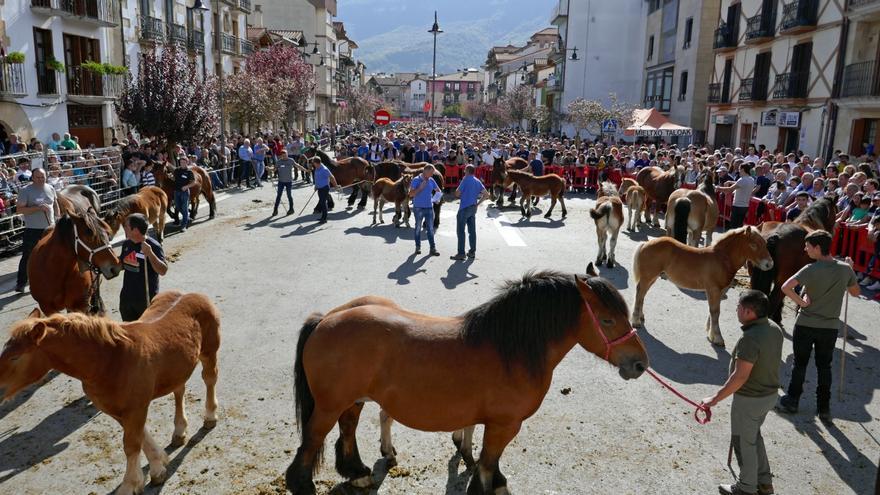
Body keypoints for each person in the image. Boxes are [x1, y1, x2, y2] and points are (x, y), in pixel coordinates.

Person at [701, 290, 782, 495]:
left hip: (749, 400)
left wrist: (715, 398)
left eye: (738, 306)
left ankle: (746, 487)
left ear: (748, 312)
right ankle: (764, 483)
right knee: (754, 437)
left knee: (744, 443)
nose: (736, 309)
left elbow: (740, 376)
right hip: (769, 395)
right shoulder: (774, 328)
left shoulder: (750, 339)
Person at [776, 230, 860, 422]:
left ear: (817, 247)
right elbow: (855, 293)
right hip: (829, 328)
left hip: (805, 324)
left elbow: (785, 287)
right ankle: (823, 408)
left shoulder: (810, 269)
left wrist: (802, 303)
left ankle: (792, 401)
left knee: (800, 364)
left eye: (808, 246)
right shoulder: (844, 269)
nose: (805, 249)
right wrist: (850, 270)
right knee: (824, 367)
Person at [14, 168, 60, 292]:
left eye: (42, 177)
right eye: (38, 177)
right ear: (32, 178)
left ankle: (49, 280)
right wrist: (37, 208)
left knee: (51, 255)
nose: (40, 179)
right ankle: (21, 283)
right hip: (32, 230)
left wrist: (58, 217)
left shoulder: (50, 188)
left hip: (50, 228)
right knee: (28, 256)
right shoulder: (25, 190)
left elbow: (55, 203)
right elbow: (19, 210)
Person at [118, 213, 167, 321]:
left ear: (135, 230)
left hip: (146, 300)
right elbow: (122, 264)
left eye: (126, 226)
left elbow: (163, 270)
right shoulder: (126, 244)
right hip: (127, 299)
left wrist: (150, 254)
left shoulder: (153, 246)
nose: (124, 228)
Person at [451, 165, 489, 261]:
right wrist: (478, 204)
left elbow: (457, 193)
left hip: (464, 208)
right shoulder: (477, 181)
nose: (464, 172)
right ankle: (472, 252)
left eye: (465, 170)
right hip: (473, 207)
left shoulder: (465, 180)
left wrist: (461, 186)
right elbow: (486, 194)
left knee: (460, 231)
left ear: (467, 171)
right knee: (472, 231)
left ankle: (461, 253)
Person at [409, 164, 441, 256]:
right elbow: (411, 194)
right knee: (418, 228)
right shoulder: (416, 180)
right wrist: (420, 188)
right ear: (426, 171)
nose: (432, 175)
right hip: (418, 208)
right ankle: (418, 247)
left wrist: (437, 198)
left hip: (429, 208)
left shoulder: (431, 180)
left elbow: (438, 190)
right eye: (431, 173)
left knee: (430, 228)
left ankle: (433, 248)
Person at [717, 162, 756, 229]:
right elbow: (741, 184)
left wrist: (717, 188)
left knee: (734, 226)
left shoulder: (742, 180)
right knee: (739, 225)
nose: (738, 171)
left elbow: (729, 189)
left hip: (737, 206)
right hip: (745, 206)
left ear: (743, 170)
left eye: (739, 169)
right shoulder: (751, 179)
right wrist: (730, 182)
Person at [173, 157, 196, 231]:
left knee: (184, 208)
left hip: (184, 192)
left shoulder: (189, 172)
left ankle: (183, 226)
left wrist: (186, 187)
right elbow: (174, 179)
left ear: (187, 162)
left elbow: (193, 182)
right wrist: (171, 177)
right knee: (178, 207)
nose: (182, 164)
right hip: (176, 191)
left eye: (183, 162)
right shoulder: (176, 170)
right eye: (181, 162)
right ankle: (186, 217)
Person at [312, 156, 337, 224]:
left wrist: (335, 186)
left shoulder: (324, 169)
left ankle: (324, 218)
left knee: (323, 202)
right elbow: (317, 178)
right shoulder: (317, 168)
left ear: (317, 163)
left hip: (324, 188)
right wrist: (316, 186)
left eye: (313, 163)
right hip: (319, 188)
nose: (313, 164)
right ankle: (323, 217)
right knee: (322, 202)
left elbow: (332, 177)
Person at [272, 149, 296, 216]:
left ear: (287, 154)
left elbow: (298, 165)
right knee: (278, 196)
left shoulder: (291, 160)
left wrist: (306, 170)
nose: (285, 157)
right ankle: (275, 210)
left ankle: (291, 209)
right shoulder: (279, 162)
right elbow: (274, 169)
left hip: (289, 182)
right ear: (281, 156)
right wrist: (269, 169)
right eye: (283, 156)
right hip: (281, 182)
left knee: (289, 195)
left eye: (285, 155)